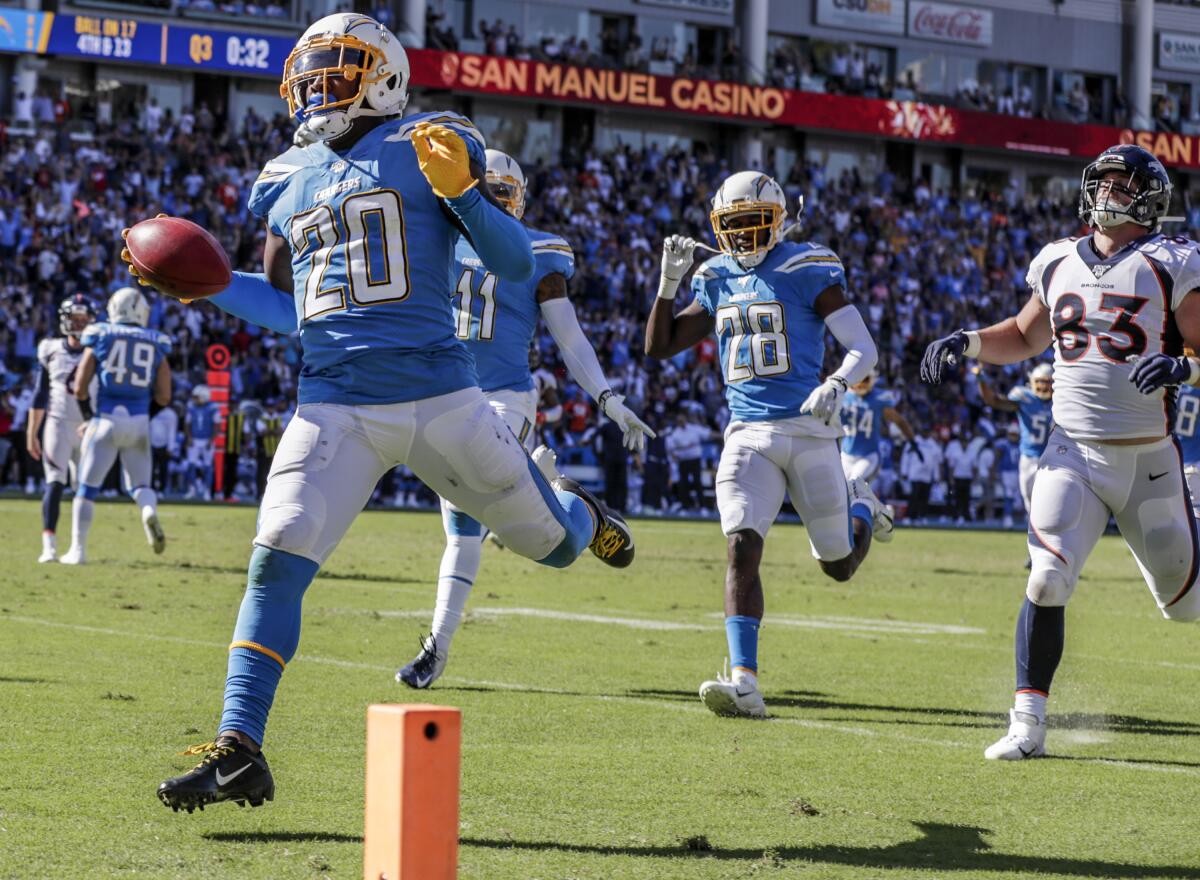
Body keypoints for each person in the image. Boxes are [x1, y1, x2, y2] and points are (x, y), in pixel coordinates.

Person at [132, 14, 636, 813]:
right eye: (311, 69)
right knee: (275, 557)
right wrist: (213, 286)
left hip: (444, 396)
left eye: (338, 67)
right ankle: (238, 747)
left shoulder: (431, 139)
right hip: (335, 402)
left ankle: (578, 510)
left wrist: (465, 194)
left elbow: (512, 263)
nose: (316, 83)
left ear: (386, 74)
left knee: (553, 548)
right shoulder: (286, 175)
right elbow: (293, 306)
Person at [921, 144, 1200, 761]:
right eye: (1100, 184)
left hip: (1148, 460)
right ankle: (1028, 723)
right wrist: (966, 341)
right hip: (1070, 451)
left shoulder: (1172, 263)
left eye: (1120, 186)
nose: (1105, 196)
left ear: (1151, 197)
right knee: (1046, 579)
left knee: (1187, 607)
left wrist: (1183, 364)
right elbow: (1023, 335)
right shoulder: (1056, 260)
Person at [395, 149, 652, 689]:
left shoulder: (539, 251)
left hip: (504, 399)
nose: (492, 205)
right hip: (441, 394)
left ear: (520, 200)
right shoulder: (433, 238)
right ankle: (569, 502)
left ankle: (435, 649)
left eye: (502, 195)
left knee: (467, 525)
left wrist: (606, 398)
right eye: (484, 192)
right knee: (476, 531)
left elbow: (569, 335)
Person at [645, 170, 892, 719]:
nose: (743, 236)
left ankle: (862, 508)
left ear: (778, 221)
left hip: (807, 431)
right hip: (748, 434)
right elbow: (660, 347)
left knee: (838, 564)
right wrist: (667, 284)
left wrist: (835, 382)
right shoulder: (712, 276)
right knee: (740, 546)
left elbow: (863, 349)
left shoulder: (807, 268)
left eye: (755, 224)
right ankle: (745, 682)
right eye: (732, 225)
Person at [61, 287, 172, 565]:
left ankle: (78, 550)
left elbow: (80, 387)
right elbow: (164, 395)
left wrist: (87, 417)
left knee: (86, 488)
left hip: (105, 419)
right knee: (141, 485)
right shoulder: (156, 340)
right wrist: (145, 413)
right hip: (139, 422)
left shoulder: (101, 333)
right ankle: (147, 511)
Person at [26, 294, 94, 562]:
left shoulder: (97, 348)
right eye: (74, 319)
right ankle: (49, 547)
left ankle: (78, 547)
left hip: (87, 426)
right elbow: (39, 395)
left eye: (83, 319)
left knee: (83, 489)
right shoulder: (50, 348)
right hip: (57, 423)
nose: (78, 324)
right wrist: (32, 432)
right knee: (54, 483)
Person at [977, 362, 1053, 533]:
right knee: (1031, 506)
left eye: (1048, 382)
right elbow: (993, 401)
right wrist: (981, 379)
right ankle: (1036, 547)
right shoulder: (1024, 397)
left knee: (1052, 504)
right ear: (1032, 381)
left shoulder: (1061, 400)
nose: (1044, 386)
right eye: (1041, 381)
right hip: (1029, 457)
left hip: (1053, 457)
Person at [839, 368, 919, 485]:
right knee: (843, 491)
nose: (861, 382)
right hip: (846, 454)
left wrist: (912, 440)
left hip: (868, 456)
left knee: (854, 484)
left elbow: (899, 420)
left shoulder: (879, 398)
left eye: (865, 378)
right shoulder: (844, 396)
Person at [184, 385, 218, 500]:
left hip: (207, 439)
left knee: (208, 467)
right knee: (191, 465)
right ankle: (192, 489)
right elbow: (187, 424)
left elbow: (217, 426)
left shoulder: (213, 407)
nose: (194, 399)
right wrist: (189, 438)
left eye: (196, 397)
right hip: (194, 439)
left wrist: (211, 440)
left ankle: (207, 491)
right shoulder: (191, 406)